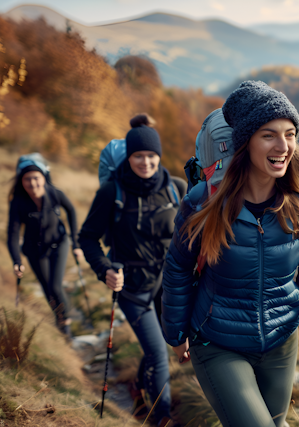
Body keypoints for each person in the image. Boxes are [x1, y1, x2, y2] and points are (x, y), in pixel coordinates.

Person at [161, 81, 299, 427]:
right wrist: (176, 333)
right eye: (269, 135)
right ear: (245, 143)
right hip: (217, 342)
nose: (284, 146)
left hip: (279, 345)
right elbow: (178, 268)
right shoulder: (204, 202)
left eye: (290, 134)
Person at [79, 114, 186, 427]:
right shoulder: (111, 192)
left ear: (159, 156)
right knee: (158, 353)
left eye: (151, 156)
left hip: (168, 283)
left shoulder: (175, 189)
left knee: (162, 346)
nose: (146, 162)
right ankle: (161, 416)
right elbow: (86, 238)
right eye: (138, 156)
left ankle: (141, 391)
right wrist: (105, 270)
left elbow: (189, 235)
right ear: (129, 156)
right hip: (132, 287)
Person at [7, 153, 84, 337]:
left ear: (44, 177)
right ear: (21, 181)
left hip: (59, 243)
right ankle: (59, 319)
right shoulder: (18, 202)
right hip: (34, 250)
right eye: (27, 179)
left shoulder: (54, 193)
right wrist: (17, 260)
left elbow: (71, 211)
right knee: (47, 289)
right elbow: (13, 233)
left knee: (56, 286)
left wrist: (76, 242)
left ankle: (66, 321)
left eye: (36, 178)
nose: (32, 183)